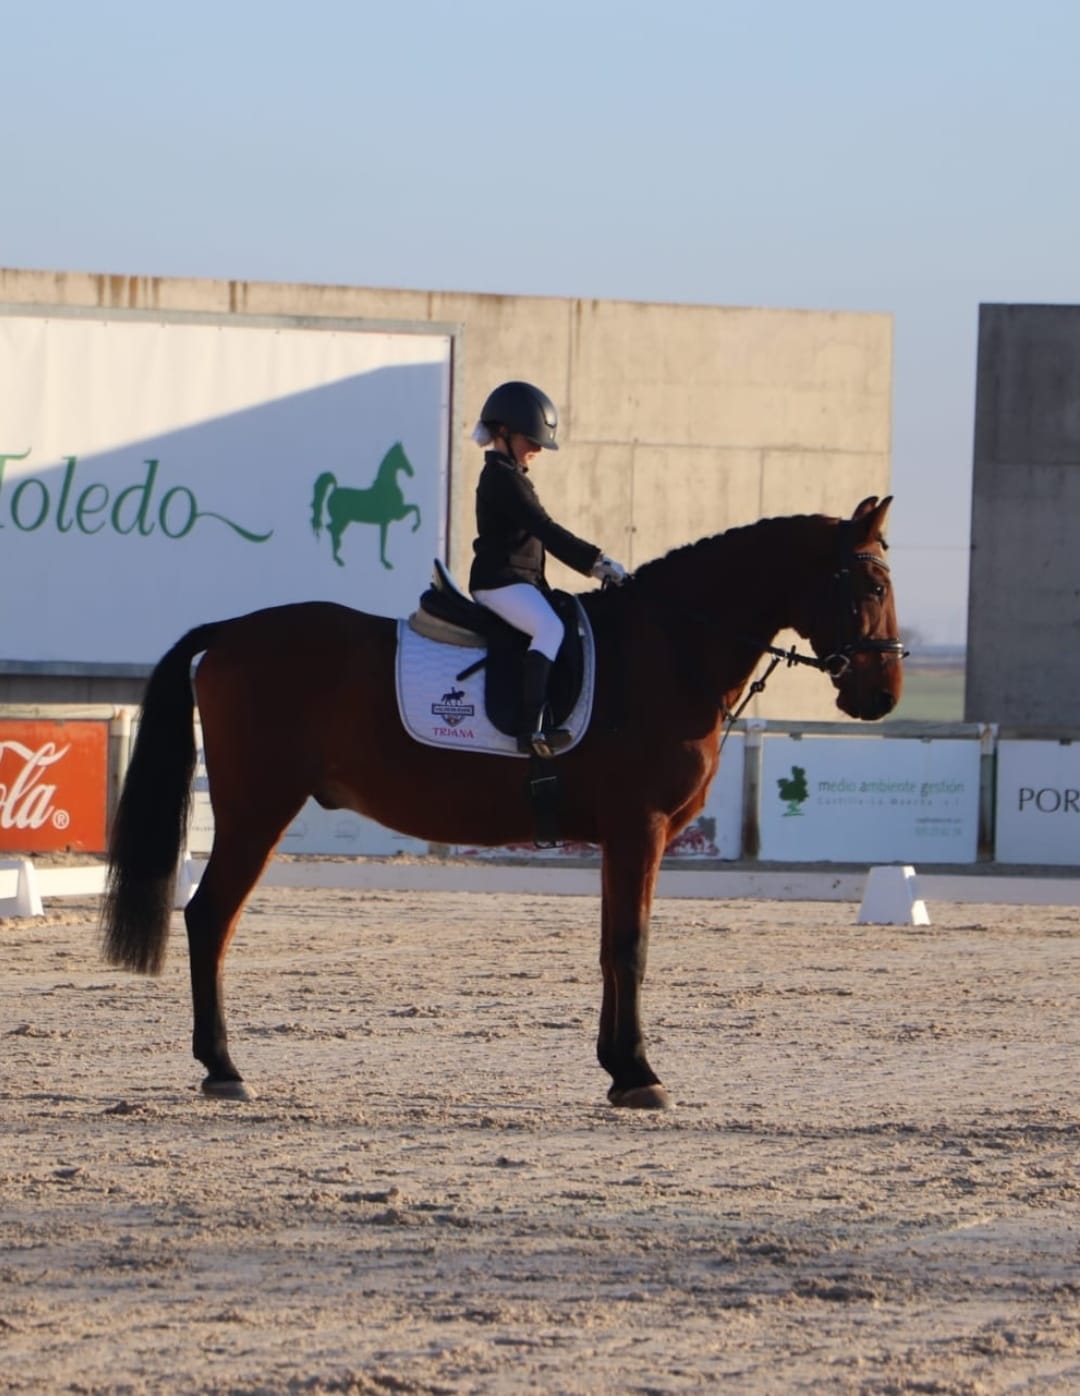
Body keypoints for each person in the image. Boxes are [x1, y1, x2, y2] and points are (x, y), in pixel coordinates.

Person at [468, 380, 627, 758]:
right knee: (549, 627)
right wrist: (596, 564)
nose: (538, 449)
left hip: (518, 582)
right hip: (498, 583)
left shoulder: (512, 474)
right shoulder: (501, 478)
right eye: (531, 439)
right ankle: (531, 728)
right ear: (503, 433)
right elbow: (544, 529)